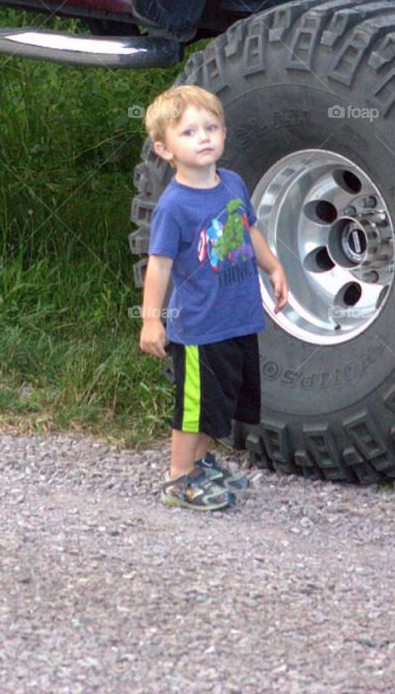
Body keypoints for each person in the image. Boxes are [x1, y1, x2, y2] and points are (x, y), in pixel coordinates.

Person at [140, 84, 288, 511]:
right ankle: (179, 478)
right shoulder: (174, 206)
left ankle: (200, 462)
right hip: (200, 329)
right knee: (193, 408)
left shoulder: (234, 183)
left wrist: (273, 267)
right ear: (164, 149)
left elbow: (249, 230)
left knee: (219, 405)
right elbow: (160, 265)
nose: (204, 137)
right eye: (189, 132)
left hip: (238, 320)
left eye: (211, 127)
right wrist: (152, 320)